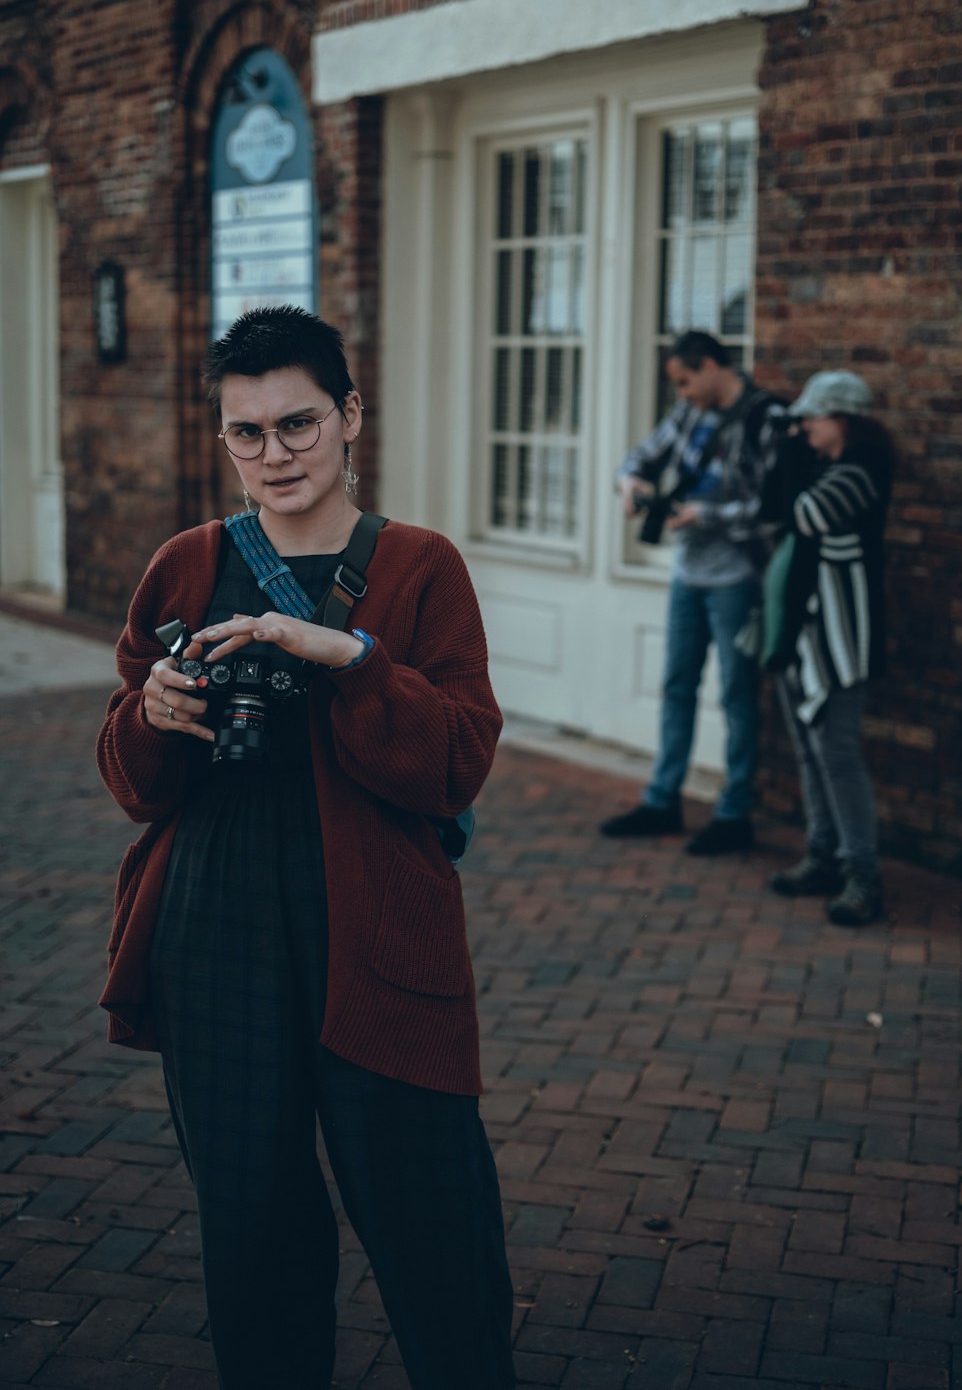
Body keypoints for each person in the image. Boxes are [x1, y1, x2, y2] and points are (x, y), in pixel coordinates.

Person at [96, 306, 515, 1390]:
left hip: (377, 915)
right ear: (222, 437)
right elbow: (135, 786)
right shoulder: (184, 566)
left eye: (298, 425)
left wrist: (353, 661)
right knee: (253, 1233)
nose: (274, 456)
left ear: (350, 417)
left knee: (435, 1228)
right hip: (214, 916)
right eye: (247, 433)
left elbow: (458, 762)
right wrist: (151, 715)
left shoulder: (419, 567)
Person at [600, 330, 783, 855]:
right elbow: (639, 456)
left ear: (707, 365)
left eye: (684, 381)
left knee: (736, 693)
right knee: (677, 686)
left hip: (736, 579)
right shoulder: (689, 415)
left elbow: (773, 509)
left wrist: (707, 513)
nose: (681, 393)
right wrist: (629, 482)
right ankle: (662, 801)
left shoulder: (766, 418)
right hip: (688, 574)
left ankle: (735, 813)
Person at [762, 370, 892, 926]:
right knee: (810, 753)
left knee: (837, 754)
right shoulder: (824, 466)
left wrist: (788, 452)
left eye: (811, 418)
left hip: (840, 637)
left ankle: (861, 873)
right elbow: (775, 504)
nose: (803, 428)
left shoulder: (860, 473)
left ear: (842, 419)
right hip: (799, 633)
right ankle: (822, 854)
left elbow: (801, 515)